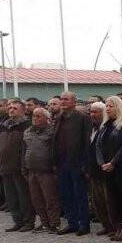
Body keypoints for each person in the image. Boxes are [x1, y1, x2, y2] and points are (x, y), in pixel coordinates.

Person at [52, 92, 92, 235]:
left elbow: (87, 142)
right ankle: (72, 223)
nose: (63, 102)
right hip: (62, 163)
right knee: (66, 194)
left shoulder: (83, 118)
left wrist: (85, 164)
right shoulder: (59, 118)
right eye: (61, 99)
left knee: (79, 194)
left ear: (74, 102)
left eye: (66, 99)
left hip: (77, 163)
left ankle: (84, 224)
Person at [97, 96, 122, 242]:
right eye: (106, 106)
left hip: (121, 167)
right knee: (112, 198)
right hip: (107, 168)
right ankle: (117, 226)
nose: (107, 108)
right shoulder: (105, 125)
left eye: (111, 106)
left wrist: (113, 162)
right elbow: (98, 145)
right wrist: (102, 163)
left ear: (118, 107)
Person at [23, 108, 61, 233]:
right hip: (31, 170)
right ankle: (44, 223)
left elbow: (56, 150)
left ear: (46, 118)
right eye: (34, 116)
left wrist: (55, 167)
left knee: (50, 199)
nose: (35, 118)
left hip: (46, 171)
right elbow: (24, 151)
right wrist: (24, 167)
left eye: (39, 116)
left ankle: (54, 223)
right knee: (36, 200)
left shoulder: (52, 131)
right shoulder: (28, 132)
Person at [0, 100, 33, 231]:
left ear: (23, 110)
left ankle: (28, 222)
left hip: (19, 167)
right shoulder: (4, 125)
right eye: (10, 108)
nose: (11, 110)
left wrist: (25, 165)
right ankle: (17, 221)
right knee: (11, 197)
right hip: (5, 166)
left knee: (23, 197)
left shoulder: (27, 125)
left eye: (15, 108)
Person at [86, 102, 115, 236]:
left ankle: (114, 225)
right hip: (93, 170)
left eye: (96, 112)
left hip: (104, 169)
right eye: (91, 112)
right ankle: (106, 225)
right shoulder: (91, 128)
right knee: (97, 201)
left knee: (108, 200)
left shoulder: (107, 128)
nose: (92, 115)